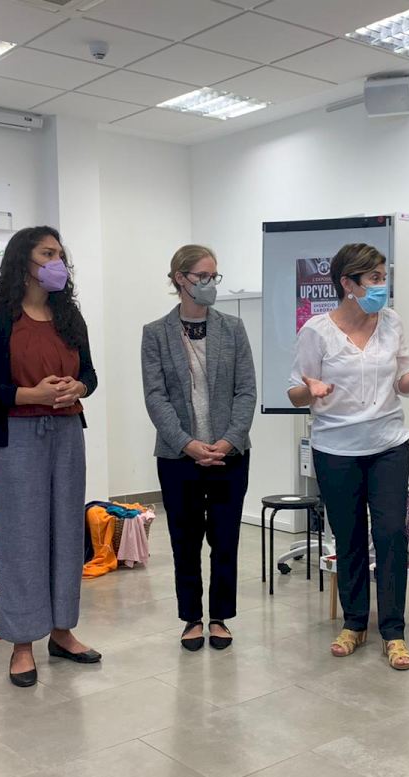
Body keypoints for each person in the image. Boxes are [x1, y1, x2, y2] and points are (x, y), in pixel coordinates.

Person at [289, 243, 409, 671]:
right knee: (350, 535)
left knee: (391, 533)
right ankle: (354, 623)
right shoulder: (316, 331)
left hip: (388, 444)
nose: (381, 286)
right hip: (335, 449)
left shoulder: (391, 322)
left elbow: (403, 384)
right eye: (373, 278)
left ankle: (393, 631)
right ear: (347, 283)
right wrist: (311, 390)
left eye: (383, 277)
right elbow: (296, 391)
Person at [0, 226, 99, 687]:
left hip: (67, 432)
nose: (58, 262)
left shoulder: (69, 315)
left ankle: (62, 630)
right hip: (18, 434)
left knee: (66, 531)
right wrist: (28, 394)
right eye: (48, 253)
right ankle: (22, 643)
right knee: (22, 537)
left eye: (60, 254)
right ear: (24, 260)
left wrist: (79, 387)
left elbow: (91, 374)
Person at [142, 244, 256, 651]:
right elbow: (155, 397)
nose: (210, 284)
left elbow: (246, 391)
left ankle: (220, 617)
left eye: (213, 276)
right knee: (185, 540)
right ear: (180, 278)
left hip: (229, 455)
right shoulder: (156, 333)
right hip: (178, 457)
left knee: (225, 540)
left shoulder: (233, 329)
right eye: (202, 276)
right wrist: (187, 443)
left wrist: (229, 440)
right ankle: (191, 617)